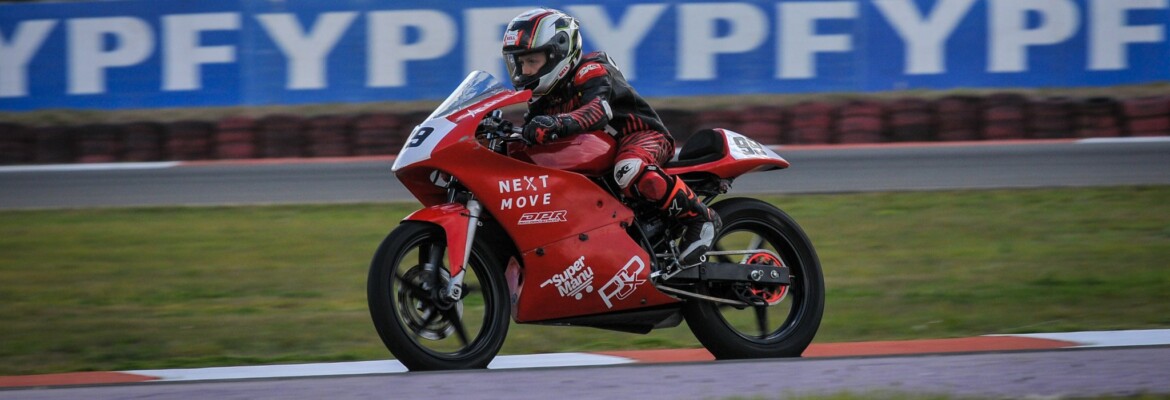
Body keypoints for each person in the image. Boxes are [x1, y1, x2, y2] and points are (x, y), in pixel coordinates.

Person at [501, 8, 721, 266]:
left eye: (532, 61)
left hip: (641, 136)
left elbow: (598, 110)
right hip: (601, 153)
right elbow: (533, 130)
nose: (525, 70)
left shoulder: (592, 70)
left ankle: (701, 218)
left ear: (557, 53)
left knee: (628, 169)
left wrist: (556, 123)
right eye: (521, 63)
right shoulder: (543, 97)